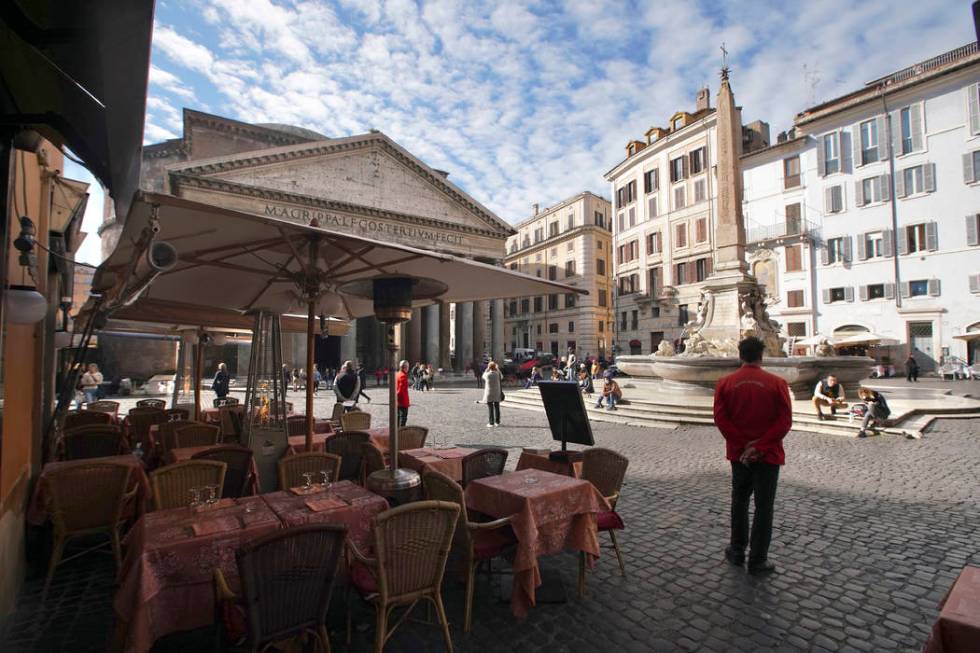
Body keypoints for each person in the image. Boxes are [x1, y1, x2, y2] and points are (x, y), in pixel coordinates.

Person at [713, 336, 792, 576]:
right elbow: (785, 421)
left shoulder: (725, 383)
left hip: (739, 455)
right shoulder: (777, 383)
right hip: (768, 456)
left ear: (740, 355)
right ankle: (757, 560)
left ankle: (736, 550)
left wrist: (743, 445)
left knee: (739, 501)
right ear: (761, 356)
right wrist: (760, 446)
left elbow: (721, 419)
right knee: (764, 507)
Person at [482, 360, 503, 427]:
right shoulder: (498, 374)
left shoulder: (487, 375)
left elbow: (483, 376)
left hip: (489, 394)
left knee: (490, 408)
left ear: (489, 367)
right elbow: (502, 377)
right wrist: (498, 369)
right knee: (497, 407)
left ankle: (491, 423)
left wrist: (487, 369)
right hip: (497, 393)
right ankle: (497, 422)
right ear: (495, 368)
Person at [395, 360, 410, 426]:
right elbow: (401, 390)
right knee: (403, 418)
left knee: (398, 417)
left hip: (398, 401)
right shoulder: (403, 376)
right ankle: (401, 433)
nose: (408, 368)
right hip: (402, 401)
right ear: (405, 367)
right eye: (407, 367)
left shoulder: (397, 374)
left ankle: (397, 431)